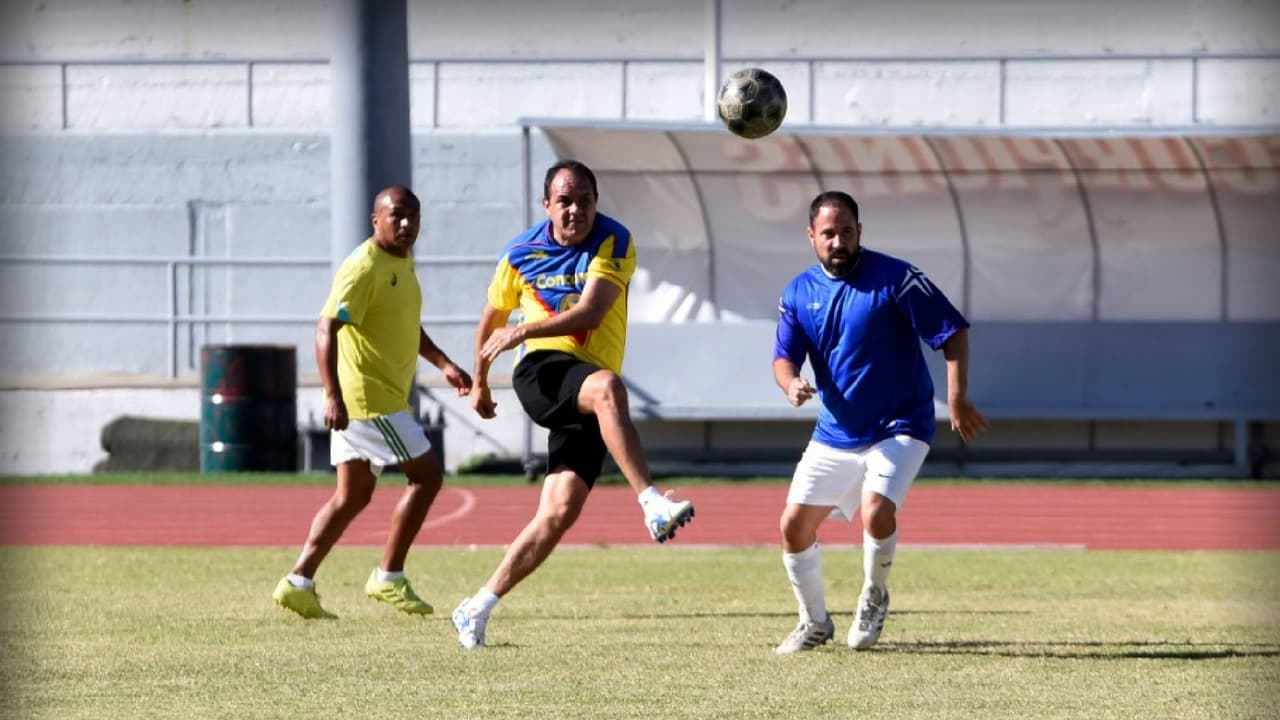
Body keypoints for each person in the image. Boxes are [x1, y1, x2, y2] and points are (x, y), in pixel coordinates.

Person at [450, 160, 695, 649]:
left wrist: (519, 328)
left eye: (584, 199)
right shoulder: (519, 253)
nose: (575, 210)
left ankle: (476, 606)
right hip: (542, 373)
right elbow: (491, 320)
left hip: (581, 390)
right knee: (607, 387)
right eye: (565, 200)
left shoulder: (613, 240)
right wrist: (480, 381)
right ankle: (650, 501)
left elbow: (592, 310)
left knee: (558, 513)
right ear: (547, 205)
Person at [771, 191, 988, 654]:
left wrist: (957, 397)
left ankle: (874, 594)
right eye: (828, 233)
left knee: (876, 511)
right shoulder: (798, 292)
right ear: (812, 237)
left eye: (846, 231)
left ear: (859, 232)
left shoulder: (897, 278)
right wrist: (790, 385)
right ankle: (814, 621)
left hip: (901, 424)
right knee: (793, 526)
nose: (838, 241)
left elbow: (953, 331)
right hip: (836, 431)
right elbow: (783, 359)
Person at [272, 185, 472, 620]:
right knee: (428, 477)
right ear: (375, 220)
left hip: (381, 395)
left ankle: (298, 582)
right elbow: (326, 328)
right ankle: (389, 576)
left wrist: (444, 363)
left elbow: (405, 324)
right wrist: (332, 394)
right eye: (396, 215)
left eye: (413, 215)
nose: (406, 223)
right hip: (369, 399)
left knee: (352, 496)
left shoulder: (402, 261)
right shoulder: (363, 267)